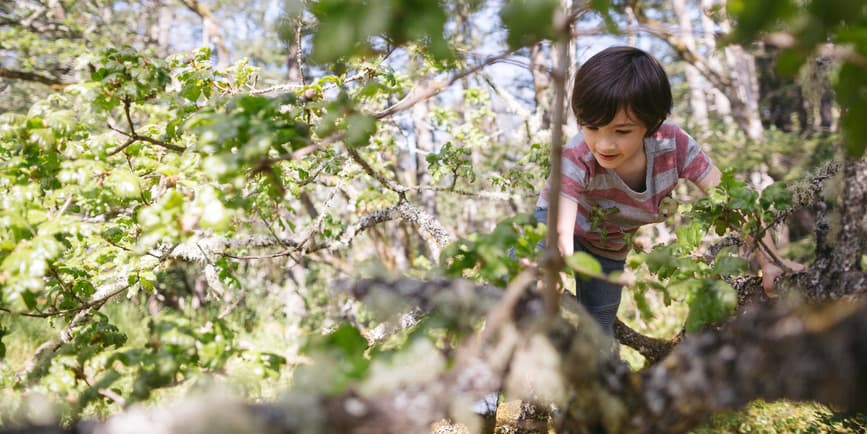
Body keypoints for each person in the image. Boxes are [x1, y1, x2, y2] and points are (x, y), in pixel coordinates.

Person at [534, 46, 799, 335]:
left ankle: (591, 373)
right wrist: (552, 271)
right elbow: (559, 229)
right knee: (526, 294)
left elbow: (732, 199)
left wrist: (770, 262)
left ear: (652, 123)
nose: (603, 144)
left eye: (621, 131)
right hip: (551, 228)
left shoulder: (673, 146)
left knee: (599, 324)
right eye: (592, 127)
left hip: (607, 244)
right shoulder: (576, 155)